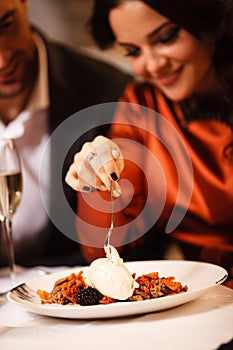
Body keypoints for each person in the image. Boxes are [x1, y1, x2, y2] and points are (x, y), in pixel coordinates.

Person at [65, 0, 233, 287]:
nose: (153, 65)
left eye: (166, 38)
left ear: (207, 20)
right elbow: (102, 250)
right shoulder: (142, 105)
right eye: (133, 51)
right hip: (207, 298)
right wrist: (96, 178)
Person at [0, 0, 132, 267]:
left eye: (5, 26)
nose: (1, 61)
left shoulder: (109, 93)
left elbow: (136, 244)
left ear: (24, 4)